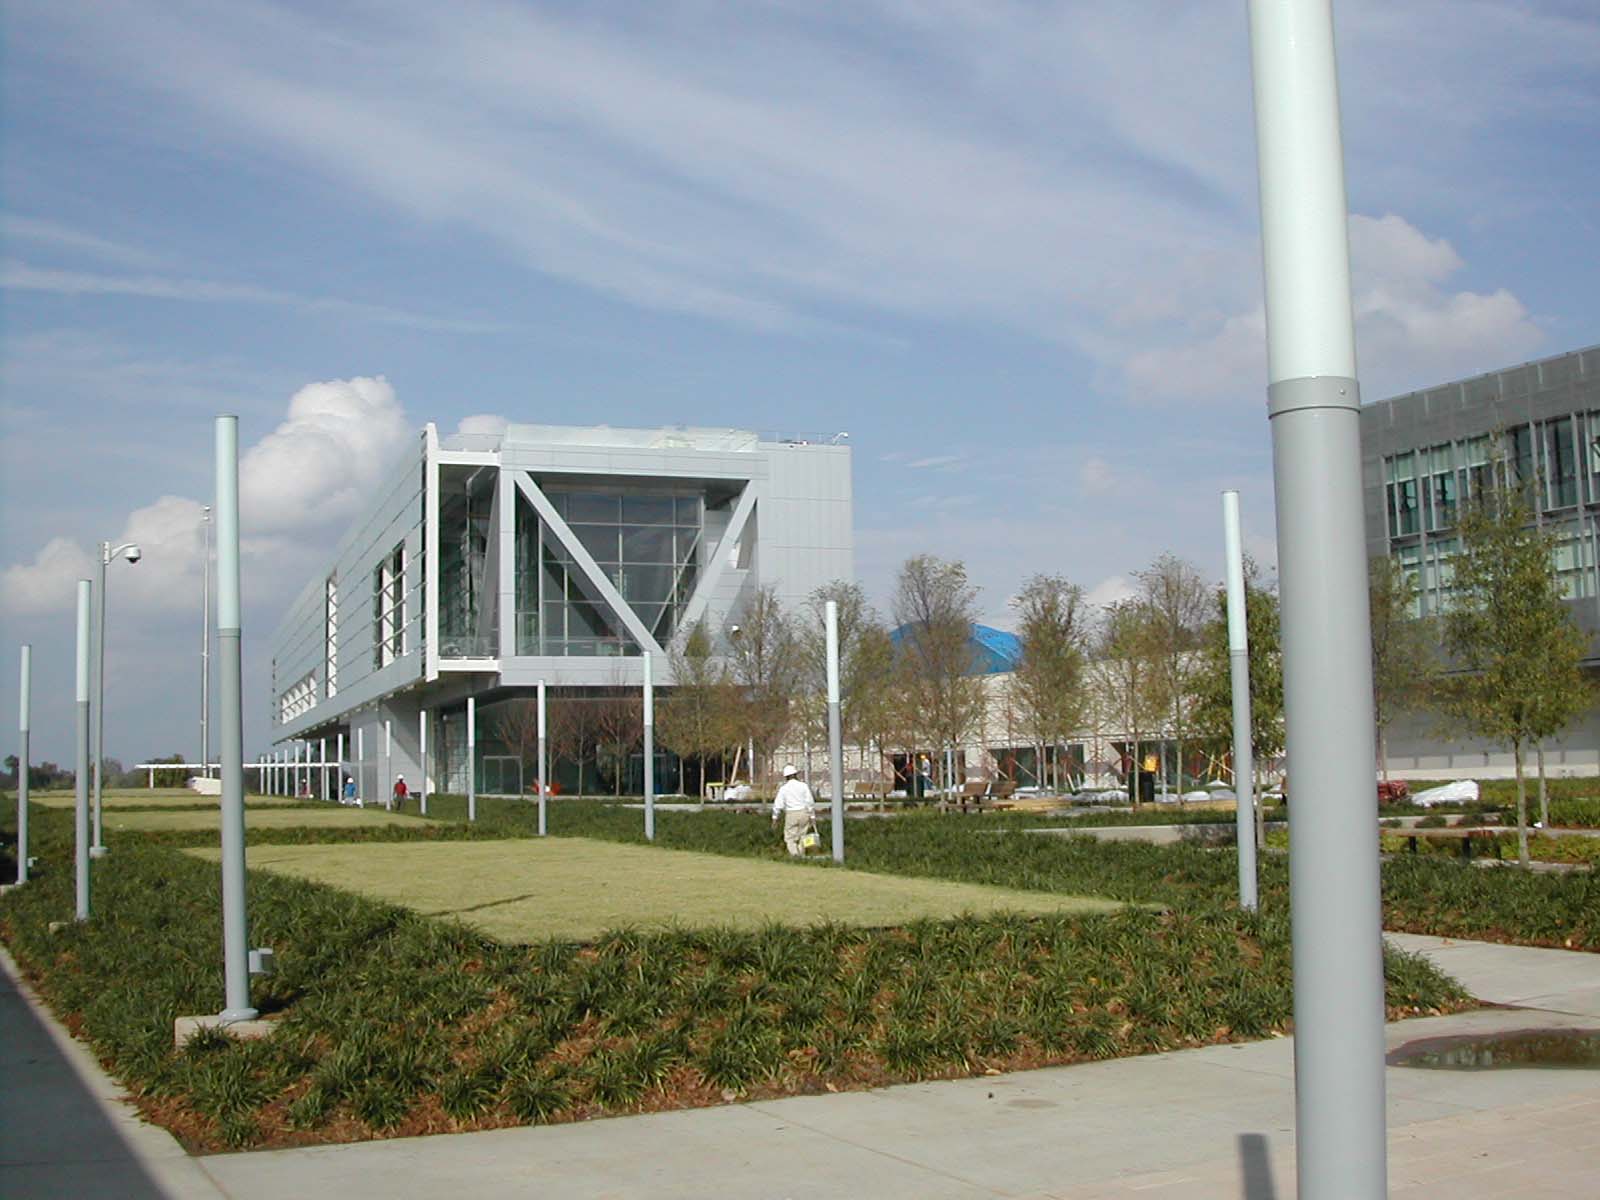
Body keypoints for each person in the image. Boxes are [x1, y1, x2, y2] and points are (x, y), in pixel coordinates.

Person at [771, 765, 817, 857]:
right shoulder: (803, 786)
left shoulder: (784, 788)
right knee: (803, 836)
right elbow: (810, 802)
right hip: (804, 813)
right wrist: (812, 817)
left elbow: (778, 805)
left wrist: (775, 818)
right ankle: (802, 855)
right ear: (795, 774)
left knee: (789, 838)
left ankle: (795, 855)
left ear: (786, 776)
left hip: (791, 813)